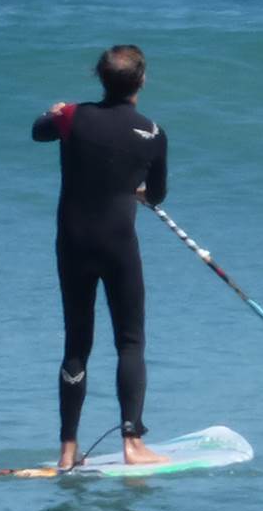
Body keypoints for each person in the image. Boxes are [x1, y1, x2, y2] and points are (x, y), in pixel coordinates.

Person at [29, 46, 171, 470]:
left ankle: (67, 450)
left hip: (72, 243)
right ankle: (133, 443)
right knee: (130, 341)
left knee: (77, 343)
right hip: (118, 245)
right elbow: (157, 195)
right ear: (141, 80)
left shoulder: (72, 117)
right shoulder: (152, 133)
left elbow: (38, 132)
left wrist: (54, 111)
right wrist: (139, 192)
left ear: (99, 77)